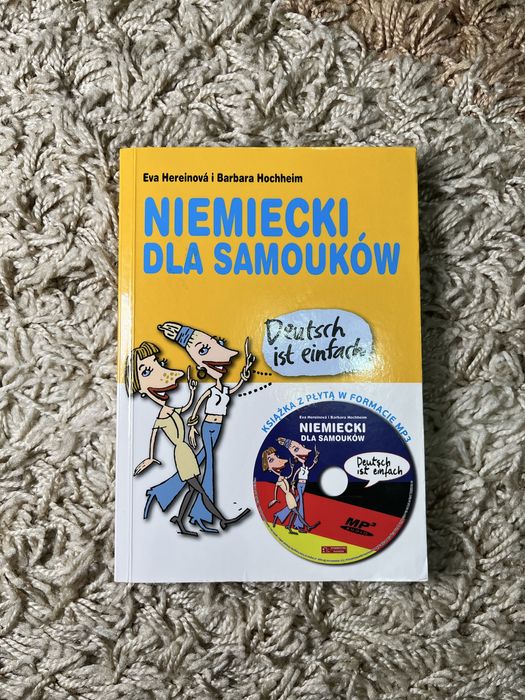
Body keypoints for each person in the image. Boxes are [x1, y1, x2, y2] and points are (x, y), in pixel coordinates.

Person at [126, 341, 249, 536]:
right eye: (148, 371)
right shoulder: (161, 417)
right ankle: (223, 519)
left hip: (187, 451)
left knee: (193, 489)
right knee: (199, 489)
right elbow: (154, 435)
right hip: (182, 454)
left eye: (160, 364)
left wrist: (192, 391)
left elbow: (188, 407)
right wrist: (150, 457)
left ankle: (178, 516)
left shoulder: (171, 410)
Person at [262, 447, 318, 534]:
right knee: (297, 510)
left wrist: (292, 468)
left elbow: (291, 475)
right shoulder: (278, 481)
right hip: (289, 496)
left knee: (294, 511)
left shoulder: (282, 477)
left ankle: (282, 518)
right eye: (272, 460)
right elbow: (276, 489)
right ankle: (306, 526)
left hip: (292, 494)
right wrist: (275, 499)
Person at [277, 437, 320, 531]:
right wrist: (292, 485)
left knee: (296, 502)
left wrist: (315, 460)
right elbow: (294, 476)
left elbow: (311, 466)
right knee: (300, 504)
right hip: (299, 485)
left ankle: (282, 516)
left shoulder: (306, 468)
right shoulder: (300, 468)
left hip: (303, 485)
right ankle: (300, 525)